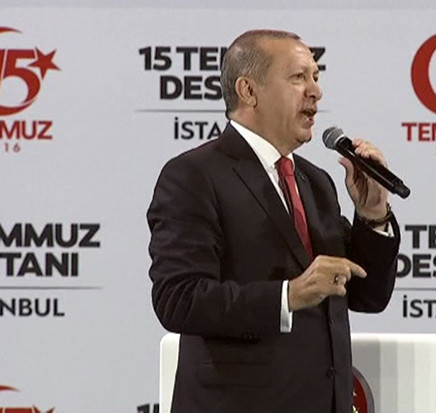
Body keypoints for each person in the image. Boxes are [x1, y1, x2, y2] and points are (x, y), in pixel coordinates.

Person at [147, 29, 400, 413]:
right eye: (298, 77)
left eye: (316, 77)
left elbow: (368, 295)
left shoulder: (316, 182)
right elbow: (179, 300)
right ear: (249, 91)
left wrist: (373, 214)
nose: (316, 91)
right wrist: (288, 296)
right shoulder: (194, 175)